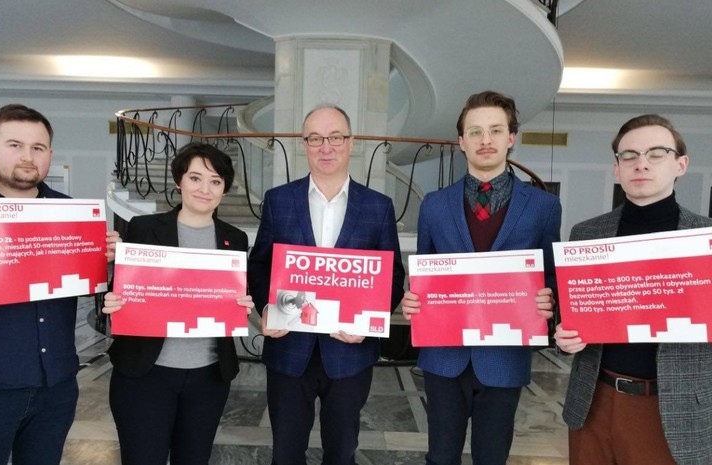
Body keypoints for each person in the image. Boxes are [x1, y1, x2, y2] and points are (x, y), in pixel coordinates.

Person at [0, 103, 120, 465]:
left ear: (50, 155)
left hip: (55, 385)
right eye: (15, 145)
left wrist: (111, 264)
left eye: (38, 148)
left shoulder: (71, 213)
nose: (28, 157)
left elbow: (91, 290)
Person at [400, 90, 561, 465]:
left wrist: (549, 299)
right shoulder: (434, 205)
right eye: (475, 131)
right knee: (440, 457)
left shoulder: (543, 206)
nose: (485, 140)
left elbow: (551, 275)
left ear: (511, 138)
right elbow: (425, 273)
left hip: (505, 356)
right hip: (444, 356)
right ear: (461, 141)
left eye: (495, 130)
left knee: (492, 457)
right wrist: (413, 298)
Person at [248, 105, 405, 465]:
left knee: (342, 452)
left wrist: (368, 322)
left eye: (335, 137)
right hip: (289, 349)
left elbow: (393, 276)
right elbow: (259, 265)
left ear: (350, 142)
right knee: (285, 454)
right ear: (305, 144)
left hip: (350, 353)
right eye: (315, 138)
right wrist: (267, 308)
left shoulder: (378, 206)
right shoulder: (278, 200)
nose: (326, 147)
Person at [554, 114, 712, 465]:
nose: (641, 164)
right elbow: (571, 316)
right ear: (617, 169)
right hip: (594, 400)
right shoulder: (586, 234)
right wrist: (565, 337)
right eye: (629, 155)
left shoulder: (706, 240)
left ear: (681, 164)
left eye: (656, 153)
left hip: (671, 407)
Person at [103, 142, 255, 465]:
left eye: (215, 181)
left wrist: (241, 304)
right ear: (179, 181)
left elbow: (233, 297)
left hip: (208, 377)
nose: (205, 189)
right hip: (146, 374)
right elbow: (124, 291)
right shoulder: (143, 228)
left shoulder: (235, 239)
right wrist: (114, 299)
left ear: (224, 189)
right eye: (195, 178)